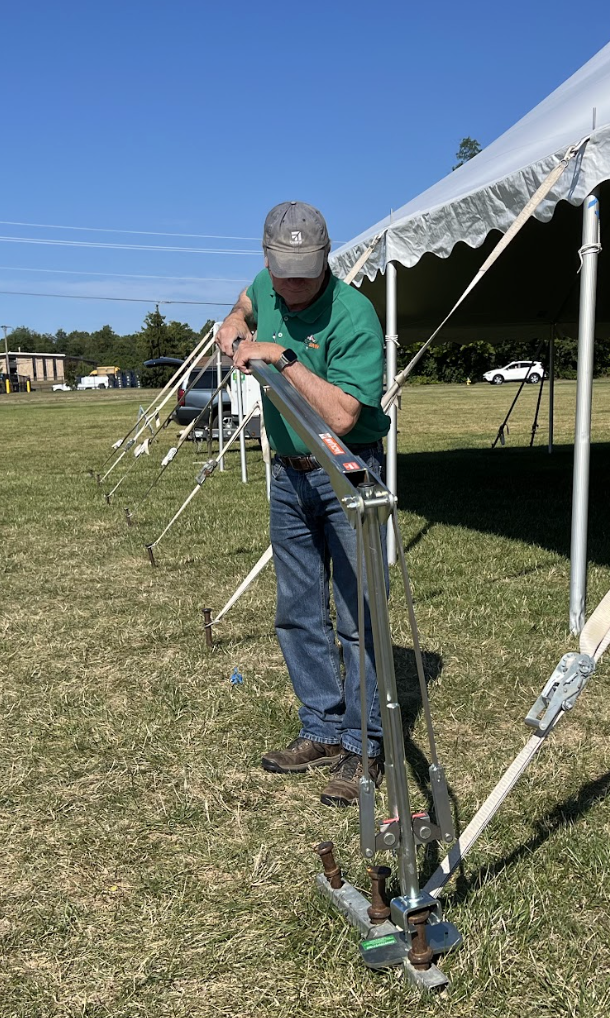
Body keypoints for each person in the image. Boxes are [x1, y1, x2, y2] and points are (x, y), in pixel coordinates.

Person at [221, 201, 393, 807]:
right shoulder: (265, 286)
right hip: (288, 475)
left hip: (347, 470)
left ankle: (364, 745)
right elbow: (246, 302)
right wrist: (234, 321)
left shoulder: (354, 313)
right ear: (267, 259)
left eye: (305, 272)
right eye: (282, 272)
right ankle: (321, 727)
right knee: (297, 609)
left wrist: (281, 356)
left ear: (326, 258)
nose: (292, 285)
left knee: (359, 614)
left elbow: (344, 416)